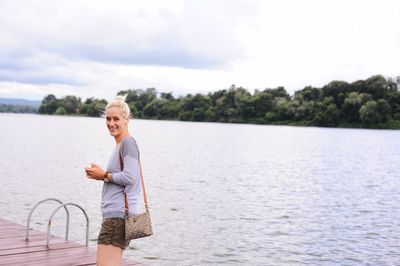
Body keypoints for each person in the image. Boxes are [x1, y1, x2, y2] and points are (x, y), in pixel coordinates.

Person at [85, 95, 142, 266]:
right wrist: (102, 174)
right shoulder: (120, 144)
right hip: (117, 216)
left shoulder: (128, 143)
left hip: (118, 218)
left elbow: (130, 177)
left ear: (127, 120)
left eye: (116, 119)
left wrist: (103, 175)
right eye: (108, 119)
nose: (111, 123)